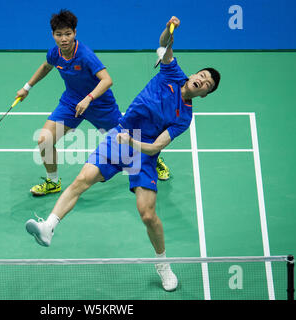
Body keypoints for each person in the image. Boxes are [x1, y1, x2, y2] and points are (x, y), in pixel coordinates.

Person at [25, 16, 221, 291]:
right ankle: (48, 226)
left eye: (207, 84)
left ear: (205, 95)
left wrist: (133, 142)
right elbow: (165, 44)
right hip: (121, 134)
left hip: (141, 150)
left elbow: (156, 147)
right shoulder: (172, 72)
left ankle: (163, 264)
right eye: (202, 75)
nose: (202, 80)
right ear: (194, 74)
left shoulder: (184, 117)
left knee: (147, 215)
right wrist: (168, 29)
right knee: (82, 180)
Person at [15, 9, 169, 196]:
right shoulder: (55, 53)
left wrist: (88, 99)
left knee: (129, 140)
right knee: (44, 140)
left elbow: (107, 80)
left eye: (68, 34)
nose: (64, 39)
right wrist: (27, 87)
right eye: (59, 34)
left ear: (75, 33)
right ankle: (53, 182)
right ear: (53, 35)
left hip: (100, 106)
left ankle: (154, 159)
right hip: (71, 103)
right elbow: (46, 66)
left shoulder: (85, 55)